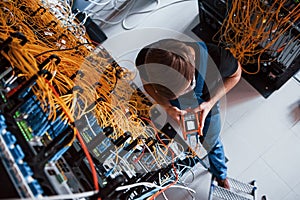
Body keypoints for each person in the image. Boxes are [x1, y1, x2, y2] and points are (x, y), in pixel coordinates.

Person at [135, 39, 241, 189]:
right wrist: (167, 106)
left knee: (212, 142)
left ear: (192, 74)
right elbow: (147, 85)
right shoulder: (147, 58)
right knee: (191, 135)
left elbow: (236, 75)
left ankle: (221, 175)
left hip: (206, 102)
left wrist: (209, 103)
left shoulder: (218, 59)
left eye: (185, 90)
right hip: (179, 107)